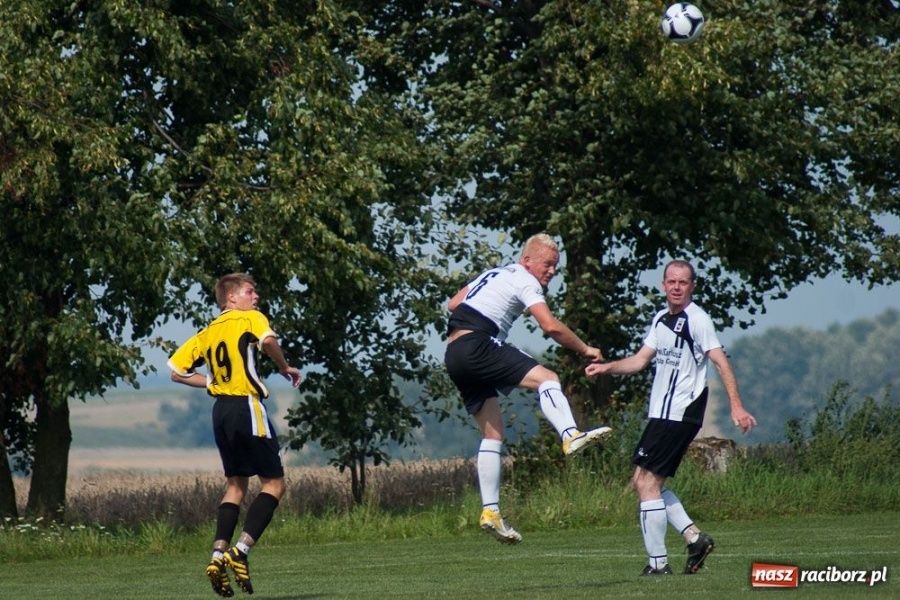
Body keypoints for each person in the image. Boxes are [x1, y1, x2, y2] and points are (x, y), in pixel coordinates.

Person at [585, 259, 756, 576]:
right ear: (663, 285)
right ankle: (694, 538)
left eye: (683, 282)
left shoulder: (698, 320)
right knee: (643, 481)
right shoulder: (661, 319)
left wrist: (736, 405)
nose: (677, 287)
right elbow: (639, 361)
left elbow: (720, 362)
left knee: (647, 483)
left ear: (692, 286)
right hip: (661, 414)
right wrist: (606, 367)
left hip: (680, 413)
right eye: (671, 282)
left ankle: (658, 565)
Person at [444, 233, 612, 544]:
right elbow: (550, 327)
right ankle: (570, 435)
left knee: (493, 433)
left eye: (556, 267)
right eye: (547, 264)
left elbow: (453, 303)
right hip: (478, 343)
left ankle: (491, 512)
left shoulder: (494, 273)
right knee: (548, 378)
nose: (551, 271)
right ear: (527, 261)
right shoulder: (525, 280)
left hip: (453, 354)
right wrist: (585, 348)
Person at [169, 273, 302, 597]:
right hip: (246, 405)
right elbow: (268, 341)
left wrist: (212, 384)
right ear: (231, 298)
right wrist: (284, 367)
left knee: (236, 484)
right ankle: (240, 551)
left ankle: (217, 555)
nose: (255, 297)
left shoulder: (208, 332)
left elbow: (176, 372)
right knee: (274, 483)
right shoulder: (251, 319)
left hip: (221, 412)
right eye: (249, 291)